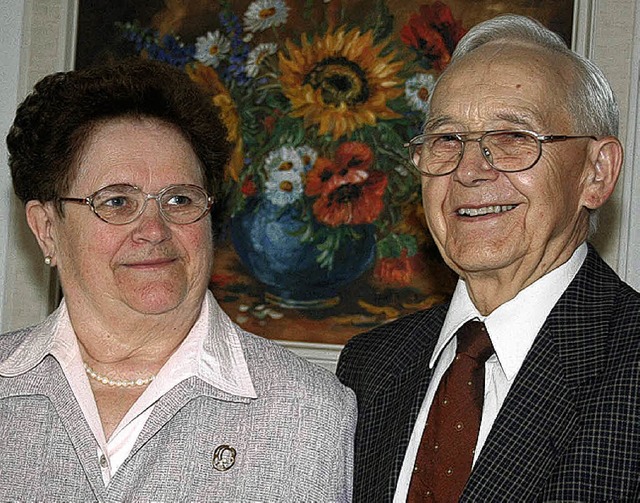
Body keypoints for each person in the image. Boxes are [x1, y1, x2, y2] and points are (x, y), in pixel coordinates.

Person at [1, 58, 356, 502]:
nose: (154, 229)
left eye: (180, 199)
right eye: (115, 202)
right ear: (47, 228)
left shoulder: (309, 412)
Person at [337, 13, 640, 502]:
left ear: (596, 172)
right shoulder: (371, 366)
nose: (470, 170)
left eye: (514, 138)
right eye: (447, 140)